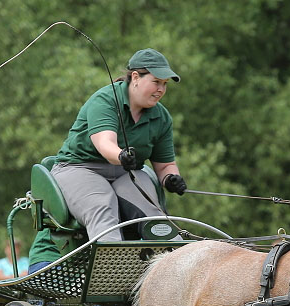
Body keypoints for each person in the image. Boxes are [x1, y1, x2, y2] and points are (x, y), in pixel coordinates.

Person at [28, 48, 188, 272]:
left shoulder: (161, 116)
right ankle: (111, 277)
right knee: (103, 207)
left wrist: (171, 178)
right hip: (80, 168)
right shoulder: (105, 99)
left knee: (154, 217)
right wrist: (121, 155)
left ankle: (180, 271)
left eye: (165, 84)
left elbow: (164, 165)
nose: (161, 89)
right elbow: (105, 144)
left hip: (125, 173)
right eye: (156, 82)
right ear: (135, 78)